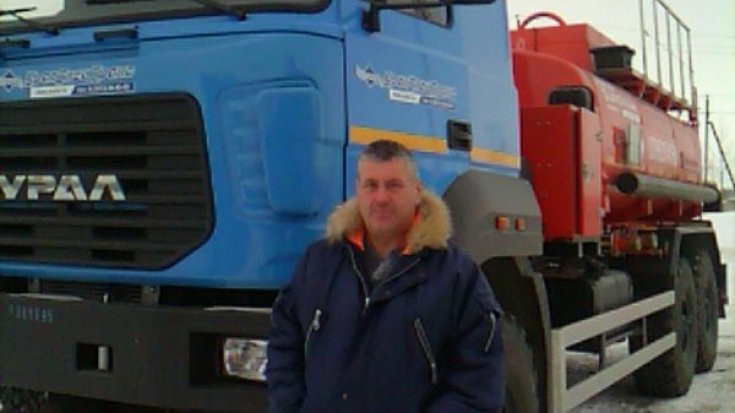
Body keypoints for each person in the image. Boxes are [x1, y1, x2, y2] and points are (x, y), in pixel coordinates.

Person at [266, 139, 503, 413]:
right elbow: (284, 346)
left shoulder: (457, 276)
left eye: (393, 185)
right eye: (371, 185)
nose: (381, 198)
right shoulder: (318, 263)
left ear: (417, 192)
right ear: (357, 191)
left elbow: (477, 383)